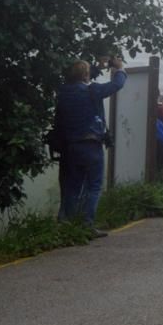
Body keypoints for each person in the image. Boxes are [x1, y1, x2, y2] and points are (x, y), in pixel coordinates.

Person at [54, 56, 127, 237]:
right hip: (91, 145)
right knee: (94, 186)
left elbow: (81, 76)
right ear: (86, 75)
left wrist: (98, 67)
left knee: (73, 187)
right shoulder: (92, 91)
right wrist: (120, 69)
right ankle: (87, 225)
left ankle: (67, 226)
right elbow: (116, 85)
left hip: (70, 146)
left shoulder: (63, 93)